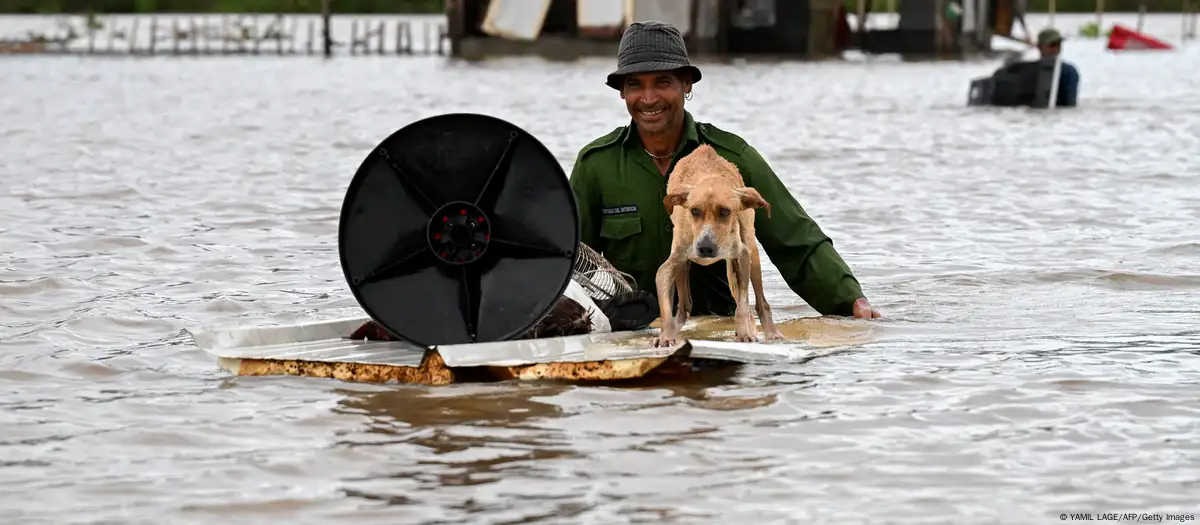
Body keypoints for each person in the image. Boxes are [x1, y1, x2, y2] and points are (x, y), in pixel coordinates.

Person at [568, 20, 880, 321]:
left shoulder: (733, 158)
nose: (649, 99)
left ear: (686, 84)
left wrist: (849, 299)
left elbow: (796, 240)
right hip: (632, 331)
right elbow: (571, 259)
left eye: (663, 82)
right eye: (636, 85)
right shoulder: (596, 165)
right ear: (622, 91)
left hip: (721, 331)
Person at [1036, 28, 1080, 107]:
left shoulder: (1068, 72)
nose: (1055, 49)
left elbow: (1070, 103)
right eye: (1051, 45)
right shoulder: (1027, 70)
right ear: (1039, 47)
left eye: (1058, 45)